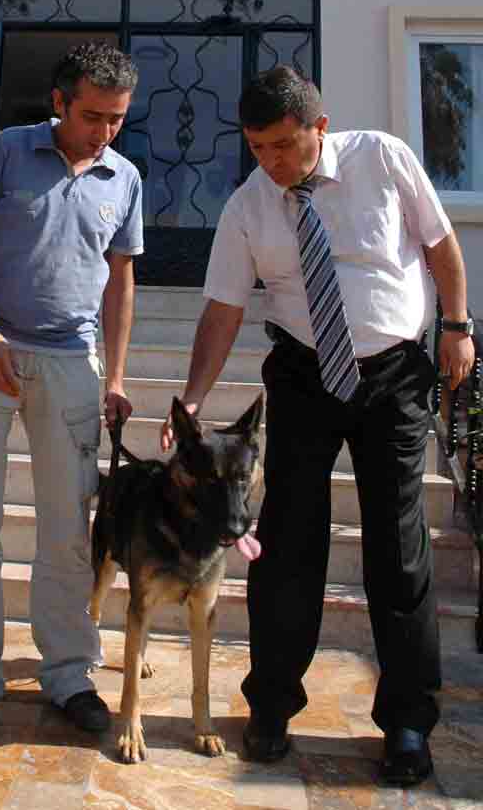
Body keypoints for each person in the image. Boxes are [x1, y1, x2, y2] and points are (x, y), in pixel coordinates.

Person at [161, 65, 474, 788]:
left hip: (392, 374)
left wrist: (456, 325)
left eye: (282, 146)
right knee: (287, 543)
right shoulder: (248, 206)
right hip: (303, 376)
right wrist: (193, 401)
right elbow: (222, 310)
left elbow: (440, 244)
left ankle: (405, 722)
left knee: (397, 550)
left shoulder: (383, 158)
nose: (270, 162)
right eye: (257, 148)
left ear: (318, 128)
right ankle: (271, 705)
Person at [0, 41, 143, 735]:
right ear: (58, 103)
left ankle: (68, 673)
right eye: (92, 116)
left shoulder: (125, 178)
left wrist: (114, 374)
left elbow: (121, 281)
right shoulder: (7, 150)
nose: (104, 132)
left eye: (117, 119)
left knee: (68, 533)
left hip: (71, 363)